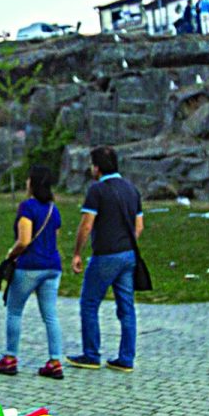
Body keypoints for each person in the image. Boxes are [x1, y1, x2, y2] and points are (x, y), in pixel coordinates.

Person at [67, 146, 143, 371]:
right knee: (126, 307)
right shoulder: (132, 190)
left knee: (89, 303)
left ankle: (91, 354)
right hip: (128, 254)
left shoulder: (97, 190)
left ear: (97, 167)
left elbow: (87, 224)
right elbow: (139, 226)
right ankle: (126, 358)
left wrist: (77, 252)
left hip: (105, 255)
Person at [0, 163, 65, 380]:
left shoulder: (27, 208)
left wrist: (10, 255)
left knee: (14, 311)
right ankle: (55, 361)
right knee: (50, 315)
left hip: (30, 266)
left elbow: (24, 240)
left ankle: (10, 358)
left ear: (32, 183)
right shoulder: (54, 209)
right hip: (52, 266)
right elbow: (55, 238)